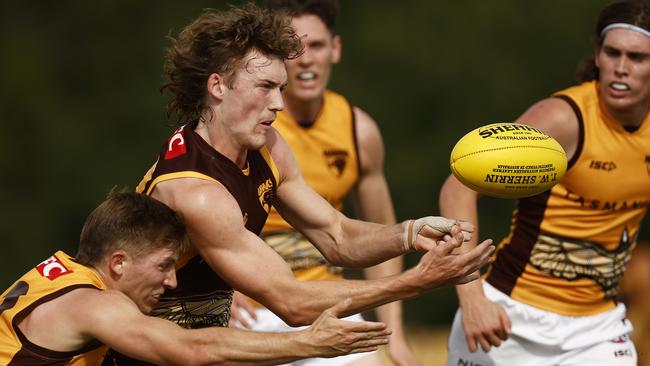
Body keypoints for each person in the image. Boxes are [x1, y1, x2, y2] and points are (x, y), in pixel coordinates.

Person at [103, 2, 495, 365]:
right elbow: (289, 302)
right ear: (218, 86)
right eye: (264, 88)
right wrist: (416, 281)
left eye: (281, 89)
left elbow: (337, 234)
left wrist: (410, 233)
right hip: (149, 354)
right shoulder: (196, 192)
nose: (277, 104)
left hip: (211, 341)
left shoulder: (267, 145)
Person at [440, 1, 650, 365]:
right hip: (508, 318)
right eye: (612, 52)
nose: (621, 68)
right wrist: (472, 298)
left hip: (597, 331)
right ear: (597, 54)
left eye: (637, 57)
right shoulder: (564, 118)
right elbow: (457, 188)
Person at [229, 1, 420, 365]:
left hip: (328, 302)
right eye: (292, 48)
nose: (305, 59)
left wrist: (394, 335)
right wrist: (216, 287)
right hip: (250, 311)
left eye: (316, 45)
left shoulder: (357, 130)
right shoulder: (246, 126)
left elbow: (379, 235)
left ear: (335, 49)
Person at [0, 191, 394, 365]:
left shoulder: (60, 274)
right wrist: (310, 342)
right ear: (118, 263)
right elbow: (194, 351)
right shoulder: (95, 303)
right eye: (164, 265)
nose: (172, 281)